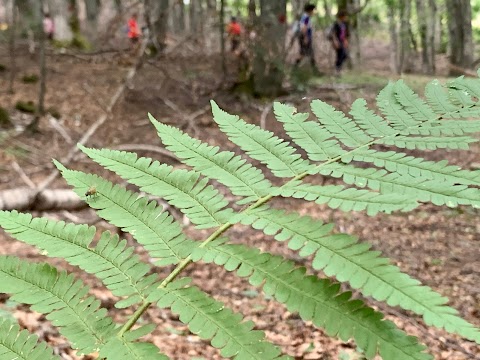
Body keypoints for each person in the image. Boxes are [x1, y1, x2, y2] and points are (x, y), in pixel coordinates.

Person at [294, 4, 317, 71]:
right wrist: (305, 37)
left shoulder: (305, 17)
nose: (313, 12)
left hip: (305, 36)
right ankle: (295, 67)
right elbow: (304, 28)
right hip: (305, 37)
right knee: (304, 53)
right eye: (313, 10)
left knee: (307, 53)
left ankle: (314, 69)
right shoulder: (306, 17)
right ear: (310, 10)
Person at [329, 10, 350, 75]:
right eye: (345, 16)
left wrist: (346, 40)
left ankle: (338, 68)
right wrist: (335, 41)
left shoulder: (345, 24)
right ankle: (338, 70)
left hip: (342, 41)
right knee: (340, 55)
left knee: (344, 55)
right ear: (341, 17)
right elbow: (333, 33)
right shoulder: (336, 24)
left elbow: (346, 33)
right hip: (337, 41)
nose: (346, 18)